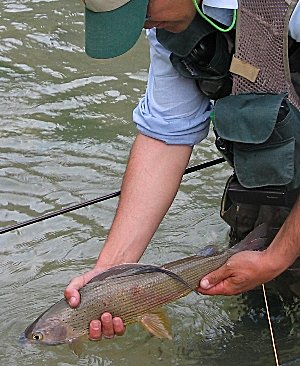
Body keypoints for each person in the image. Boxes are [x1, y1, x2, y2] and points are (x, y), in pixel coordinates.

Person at [64, 0, 300, 340]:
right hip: (275, 175)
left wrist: (276, 257)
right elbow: (165, 137)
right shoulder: (167, 28)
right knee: (261, 322)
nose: (144, 27)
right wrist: (110, 275)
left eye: (141, 13)